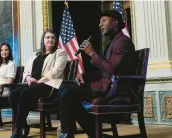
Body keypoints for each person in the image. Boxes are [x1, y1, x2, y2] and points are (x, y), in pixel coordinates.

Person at [58, 10, 137, 138]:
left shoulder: (123, 41)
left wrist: (92, 54)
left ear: (115, 22)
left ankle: (72, 133)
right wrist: (84, 76)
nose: (100, 24)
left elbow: (113, 69)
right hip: (105, 85)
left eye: (104, 21)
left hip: (116, 90)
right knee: (64, 89)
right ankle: (77, 132)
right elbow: (103, 70)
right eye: (100, 22)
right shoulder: (113, 41)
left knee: (68, 94)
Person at [9, 29, 68, 138]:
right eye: (47, 37)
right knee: (13, 94)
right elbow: (26, 71)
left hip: (49, 85)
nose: (50, 39)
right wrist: (28, 78)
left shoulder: (60, 53)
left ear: (55, 40)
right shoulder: (35, 53)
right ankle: (24, 125)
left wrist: (39, 81)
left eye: (52, 37)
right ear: (43, 40)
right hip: (33, 84)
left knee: (26, 93)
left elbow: (55, 72)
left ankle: (18, 129)